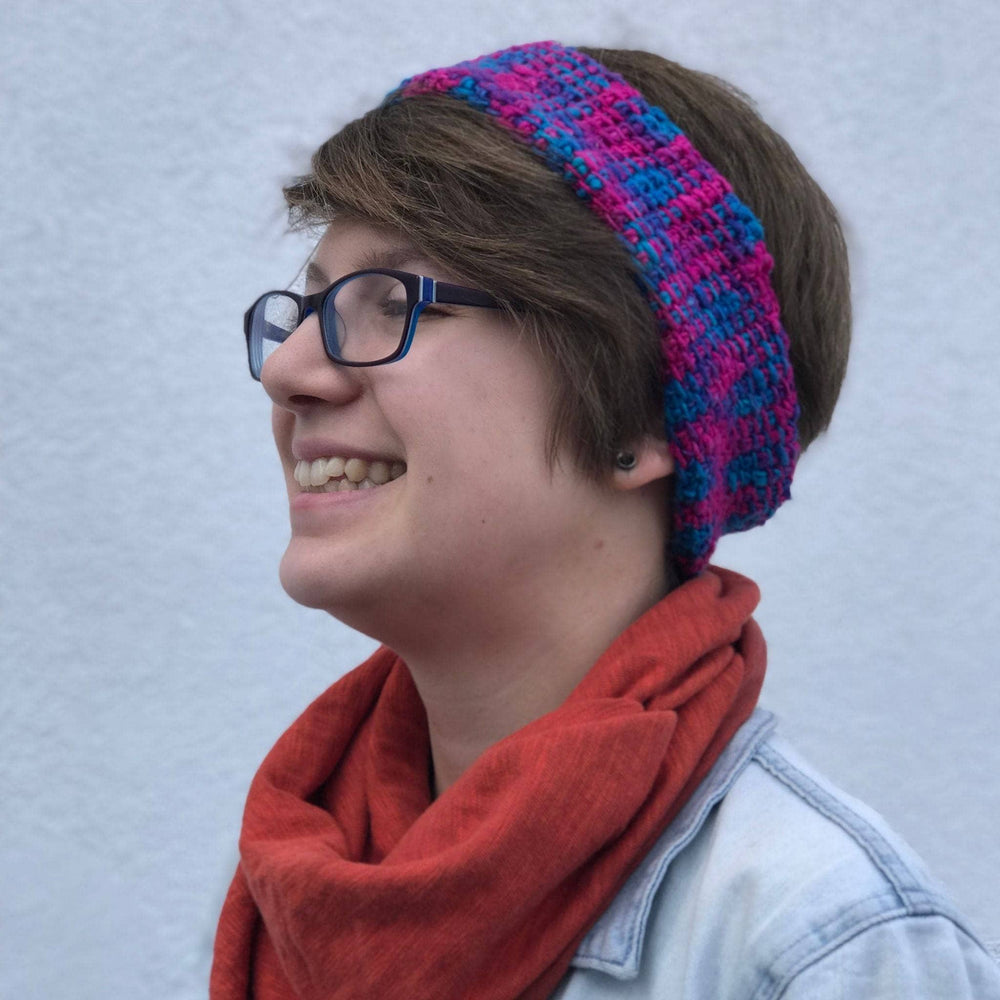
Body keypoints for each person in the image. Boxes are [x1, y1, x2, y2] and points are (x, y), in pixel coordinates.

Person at [210, 41, 1000, 999]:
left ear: (641, 415)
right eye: (306, 307)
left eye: (391, 303)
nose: (291, 370)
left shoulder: (817, 948)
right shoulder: (305, 877)